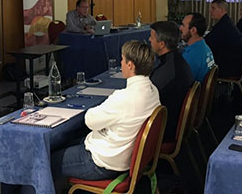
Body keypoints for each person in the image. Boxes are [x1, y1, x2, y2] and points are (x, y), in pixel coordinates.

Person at [51, 40, 160, 191]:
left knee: (45, 161)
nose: (121, 63)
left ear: (130, 65)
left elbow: (90, 121)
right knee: (67, 143)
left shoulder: (124, 97)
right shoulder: (153, 90)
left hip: (102, 163)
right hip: (123, 157)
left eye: (122, 59)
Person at [149, 21, 194, 142]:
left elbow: (146, 99)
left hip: (164, 130)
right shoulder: (175, 61)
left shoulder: (169, 69)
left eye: (152, 37)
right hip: (172, 120)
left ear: (162, 44)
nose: (149, 40)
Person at [204, 0, 242, 78]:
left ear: (222, 10)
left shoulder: (223, 25)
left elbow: (207, 43)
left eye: (213, 8)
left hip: (227, 67)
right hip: (233, 63)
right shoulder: (225, 22)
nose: (210, 11)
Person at [179, 13, 215, 82]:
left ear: (193, 30)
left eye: (183, 25)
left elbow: (182, 83)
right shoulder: (203, 46)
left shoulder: (193, 55)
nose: (180, 28)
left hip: (193, 91)